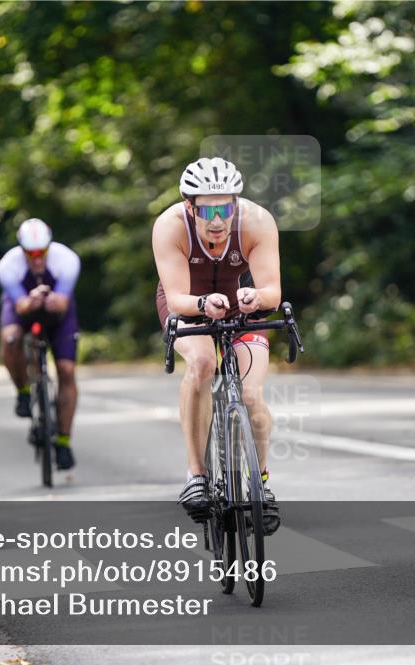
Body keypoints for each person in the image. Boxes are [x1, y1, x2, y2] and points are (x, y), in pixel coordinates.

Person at [151, 157, 282, 534]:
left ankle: (262, 484)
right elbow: (176, 298)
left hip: (241, 303)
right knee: (203, 363)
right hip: (189, 303)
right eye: (206, 209)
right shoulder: (169, 226)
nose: (217, 220)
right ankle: (196, 474)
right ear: (189, 207)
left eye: (225, 207)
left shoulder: (257, 222)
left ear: (236, 204)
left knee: (253, 396)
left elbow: (273, 290)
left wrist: (256, 297)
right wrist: (202, 305)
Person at [0, 218, 81, 470]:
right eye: (30, 253)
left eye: (41, 252)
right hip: (23, 309)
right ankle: (23, 393)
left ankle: (63, 442)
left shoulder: (66, 260)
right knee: (10, 338)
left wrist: (53, 300)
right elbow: (20, 305)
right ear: (21, 250)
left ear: (49, 247)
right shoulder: (8, 266)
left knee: (66, 371)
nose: (36, 258)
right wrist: (31, 300)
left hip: (58, 314)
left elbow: (63, 304)